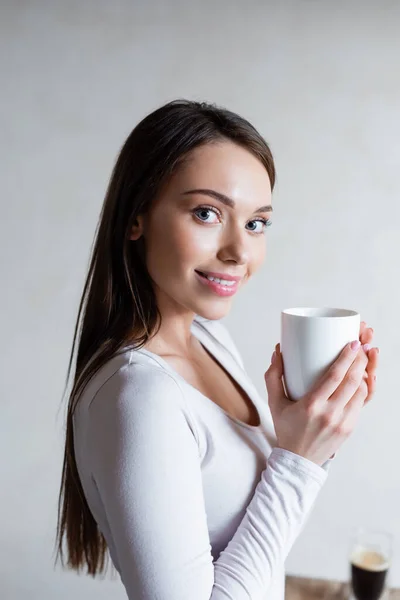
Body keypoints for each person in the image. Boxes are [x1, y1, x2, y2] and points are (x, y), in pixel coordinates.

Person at [54, 99, 379, 599]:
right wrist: (300, 461)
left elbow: (260, 525)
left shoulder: (208, 338)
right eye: (207, 213)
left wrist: (317, 427)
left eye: (256, 223)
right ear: (136, 217)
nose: (239, 252)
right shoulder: (140, 394)